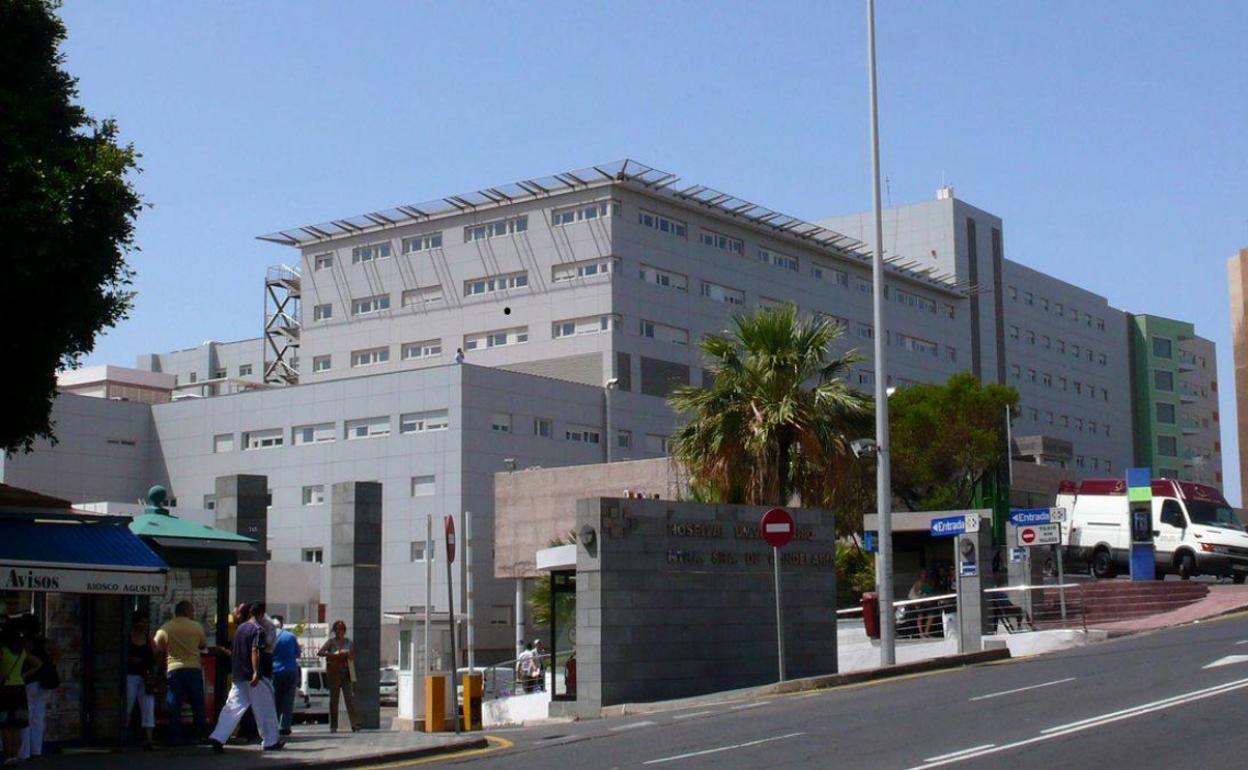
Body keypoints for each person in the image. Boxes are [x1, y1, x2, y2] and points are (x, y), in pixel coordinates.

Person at [209, 602, 283, 754]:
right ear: (261, 614)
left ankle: (218, 736)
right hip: (254, 677)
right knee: (265, 707)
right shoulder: (257, 630)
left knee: (232, 707)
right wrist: (256, 671)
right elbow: (255, 650)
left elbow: (235, 651)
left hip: (239, 675)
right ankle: (271, 740)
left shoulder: (239, 629)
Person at [155, 600, 214, 745]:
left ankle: (174, 737)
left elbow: (157, 646)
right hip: (193, 669)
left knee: (174, 704)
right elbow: (203, 645)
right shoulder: (196, 627)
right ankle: (200, 734)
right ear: (186, 611)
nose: (193, 614)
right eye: (192, 611)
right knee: (197, 704)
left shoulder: (166, 628)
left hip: (174, 670)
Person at [1, 624, 41, 767]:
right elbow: (38, 663)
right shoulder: (21, 652)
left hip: (5, 689)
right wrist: (23, 675)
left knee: (5, 726)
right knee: (17, 726)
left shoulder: (3, 651)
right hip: (19, 689)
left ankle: (7, 756)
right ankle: (15, 756)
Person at [18, 623, 57, 761]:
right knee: (38, 717)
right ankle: (36, 749)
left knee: (26, 716)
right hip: (44, 682)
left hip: (29, 681)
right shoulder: (44, 641)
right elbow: (56, 652)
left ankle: (24, 752)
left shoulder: (25, 643)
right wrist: (52, 663)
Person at [318, 621, 359, 733]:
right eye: (337, 629)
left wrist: (347, 654)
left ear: (344, 630)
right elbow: (320, 652)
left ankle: (354, 724)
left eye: (341, 629)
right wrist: (332, 655)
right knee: (334, 701)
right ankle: (333, 725)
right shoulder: (331, 642)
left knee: (349, 699)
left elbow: (353, 656)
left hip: (346, 672)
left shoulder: (349, 642)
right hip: (334, 673)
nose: (339, 631)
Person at [125, 613, 157, 750]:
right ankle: (124, 735)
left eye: (146, 622)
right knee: (127, 704)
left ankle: (149, 739)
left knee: (148, 707)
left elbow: (155, 656)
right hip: (130, 675)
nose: (144, 625)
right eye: (141, 622)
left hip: (145, 677)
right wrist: (130, 660)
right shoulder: (128, 637)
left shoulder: (149, 639)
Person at [270, 616, 301, 737]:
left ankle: (274, 724)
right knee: (288, 700)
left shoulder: (270, 636)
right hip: (291, 670)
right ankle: (285, 726)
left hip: (275, 671)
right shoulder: (291, 636)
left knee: (275, 700)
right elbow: (298, 654)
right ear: (281, 625)